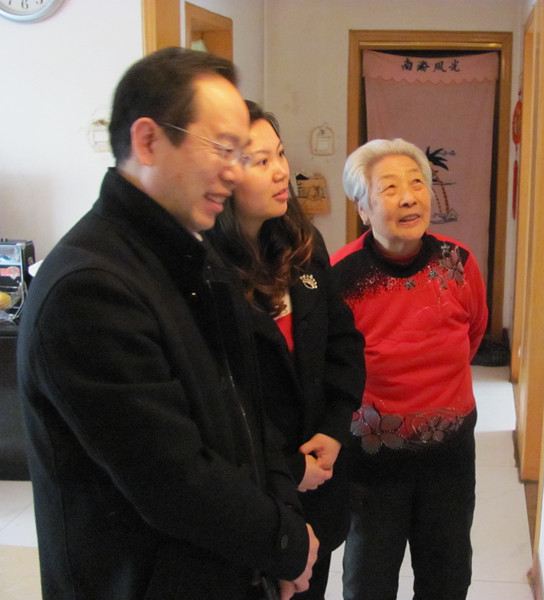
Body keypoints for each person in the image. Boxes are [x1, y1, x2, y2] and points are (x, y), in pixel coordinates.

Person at [16, 47, 317, 600]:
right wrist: (284, 543)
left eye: (241, 152)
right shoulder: (89, 288)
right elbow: (171, 479)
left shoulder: (196, 257)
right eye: (221, 148)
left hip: (229, 569)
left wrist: (284, 521)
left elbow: (250, 414)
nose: (234, 171)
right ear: (149, 141)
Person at [208, 102, 365, 599]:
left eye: (280, 154)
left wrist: (334, 430)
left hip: (321, 478)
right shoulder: (205, 272)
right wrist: (290, 470)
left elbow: (343, 343)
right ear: (223, 176)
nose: (281, 171)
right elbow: (221, 403)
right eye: (261, 161)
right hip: (254, 495)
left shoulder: (303, 243)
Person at [330, 138, 489, 600]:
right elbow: (332, 365)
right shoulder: (341, 275)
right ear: (363, 208)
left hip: (449, 455)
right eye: (390, 188)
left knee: (447, 577)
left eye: (418, 183)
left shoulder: (458, 263)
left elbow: (473, 333)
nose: (409, 197)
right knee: (369, 581)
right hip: (373, 460)